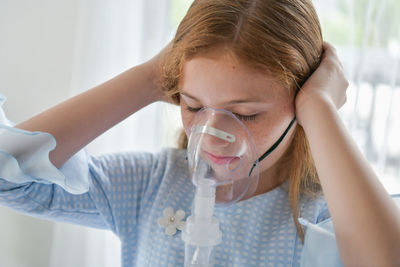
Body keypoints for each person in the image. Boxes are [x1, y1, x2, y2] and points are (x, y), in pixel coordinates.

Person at [1, 0, 399, 266]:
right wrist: (149, 78)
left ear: (300, 106)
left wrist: (320, 109)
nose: (210, 136)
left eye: (247, 113)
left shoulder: (331, 213)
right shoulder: (149, 186)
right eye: (193, 106)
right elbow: (8, 175)